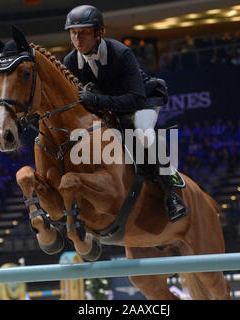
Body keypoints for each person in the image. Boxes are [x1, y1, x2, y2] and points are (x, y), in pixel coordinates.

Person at [62, 5, 188, 222]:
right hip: (107, 108)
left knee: (143, 132)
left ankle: (172, 194)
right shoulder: (70, 62)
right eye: (73, 33)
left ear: (98, 32)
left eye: (83, 32)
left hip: (142, 102)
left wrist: (99, 100)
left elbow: (135, 98)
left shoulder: (120, 53)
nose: (78, 38)